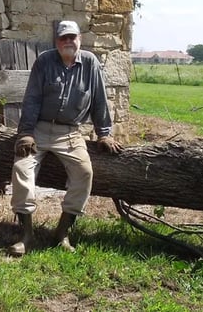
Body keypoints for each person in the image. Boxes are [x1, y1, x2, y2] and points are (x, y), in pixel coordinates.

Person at [8, 20, 123, 256]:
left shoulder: (90, 63)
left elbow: (99, 100)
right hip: (39, 129)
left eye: (72, 37)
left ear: (80, 39)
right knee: (21, 169)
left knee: (84, 173)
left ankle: (62, 233)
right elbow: (32, 99)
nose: (68, 41)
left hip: (71, 132)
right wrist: (26, 132)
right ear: (56, 41)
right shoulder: (44, 61)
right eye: (63, 38)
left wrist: (104, 133)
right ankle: (26, 235)